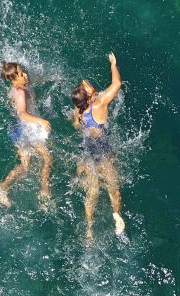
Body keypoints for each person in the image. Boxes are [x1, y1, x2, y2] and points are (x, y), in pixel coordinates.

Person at [71, 52, 125, 239]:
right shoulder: (99, 104)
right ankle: (117, 216)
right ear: (89, 97)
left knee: (92, 191)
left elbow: (76, 124)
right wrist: (113, 64)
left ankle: (89, 229)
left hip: (87, 151)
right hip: (103, 151)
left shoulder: (78, 112)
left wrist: (87, 91)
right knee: (114, 189)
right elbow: (117, 84)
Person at [0, 62, 53, 208]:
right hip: (24, 128)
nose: (26, 75)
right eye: (21, 74)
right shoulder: (20, 92)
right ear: (14, 81)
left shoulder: (22, 85)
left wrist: (52, 78)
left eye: (24, 72)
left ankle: (2, 188)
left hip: (16, 128)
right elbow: (22, 113)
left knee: (26, 165)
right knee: (47, 157)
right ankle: (44, 191)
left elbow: (34, 81)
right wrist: (41, 120)